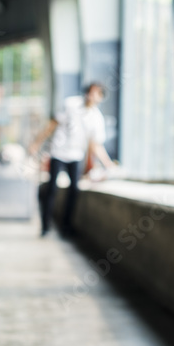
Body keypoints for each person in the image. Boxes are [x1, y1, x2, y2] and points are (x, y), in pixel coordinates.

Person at [29, 82, 113, 236]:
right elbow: (52, 125)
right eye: (90, 92)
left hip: (76, 156)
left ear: (100, 97)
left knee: (74, 190)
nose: (91, 95)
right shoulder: (70, 104)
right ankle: (45, 226)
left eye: (96, 93)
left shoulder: (96, 118)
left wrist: (107, 164)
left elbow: (95, 145)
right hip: (58, 152)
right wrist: (36, 143)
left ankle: (66, 226)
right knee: (51, 188)